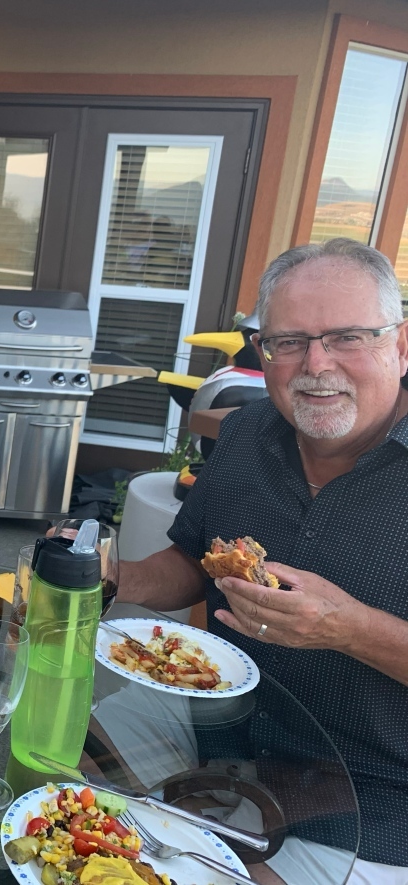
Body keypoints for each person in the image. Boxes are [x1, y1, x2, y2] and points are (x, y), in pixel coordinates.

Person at [119, 238, 408, 882]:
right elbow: (194, 560)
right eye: (289, 341)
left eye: (348, 337)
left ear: (401, 344)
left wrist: (349, 628)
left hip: (373, 798)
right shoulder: (249, 434)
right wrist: (119, 579)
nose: (316, 364)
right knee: (58, 778)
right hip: (217, 727)